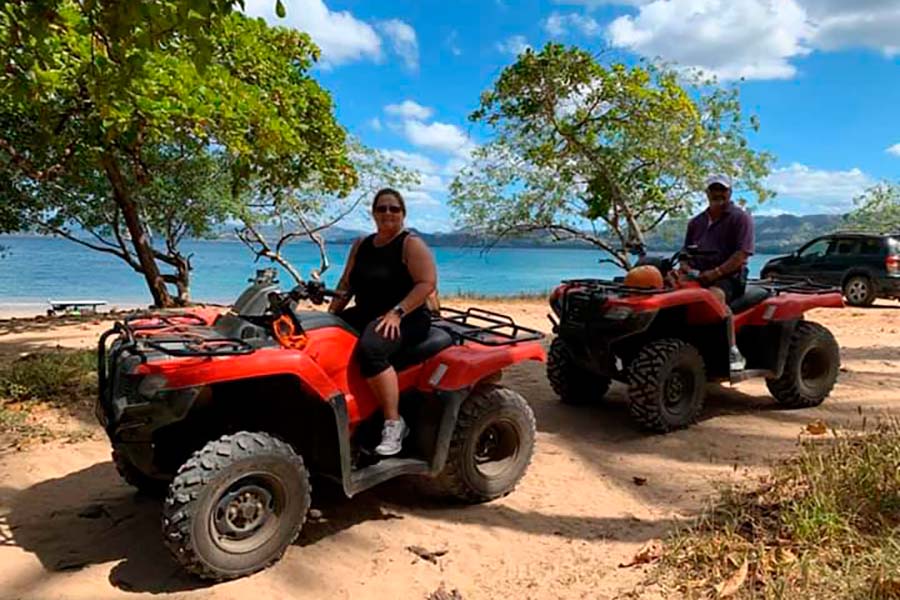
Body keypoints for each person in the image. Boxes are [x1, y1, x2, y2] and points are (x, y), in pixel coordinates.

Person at [327, 188, 438, 456]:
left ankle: (393, 423)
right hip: (368, 311)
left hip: (408, 316)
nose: (388, 213)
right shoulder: (361, 244)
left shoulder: (410, 244)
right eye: (382, 208)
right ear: (373, 213)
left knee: (372, 349)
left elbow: (426, 284)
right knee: (322, 335)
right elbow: (346, 284)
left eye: (394, 209)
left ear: (403, 213)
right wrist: (330, 314)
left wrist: (397, 312)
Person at [681, 174, 754, 371]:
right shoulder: (696, 223)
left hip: (729, 277)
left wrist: (716, 273)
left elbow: (742, 255)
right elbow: (685, 254)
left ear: (729, 192)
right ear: (707, 192)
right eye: (714, 189)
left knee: (713, 297)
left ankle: (732, 350)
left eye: (722, 189)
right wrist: (686, 268)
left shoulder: (740, 219)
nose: (718, 193)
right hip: (698, 274)